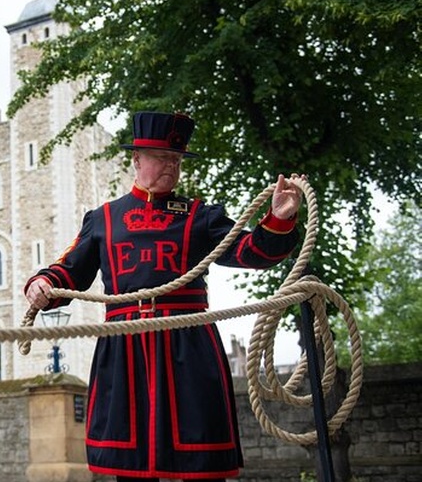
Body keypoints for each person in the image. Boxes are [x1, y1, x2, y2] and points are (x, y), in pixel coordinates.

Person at [24, 111, 302, 481]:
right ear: (137, 160)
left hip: (189, 344)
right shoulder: (103, 219)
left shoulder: (201, 216)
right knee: (131, 467)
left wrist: (279, 218)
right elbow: (69, 271)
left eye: (176, 159)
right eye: (162, 157)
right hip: (124, 347)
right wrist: (41, 285)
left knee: (202, 463)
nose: (171, 165)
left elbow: (251, 253)